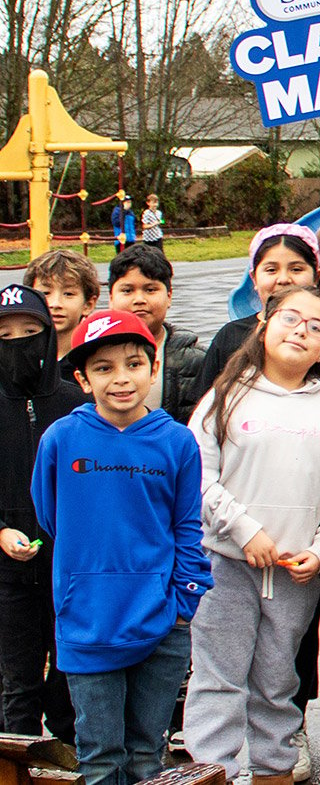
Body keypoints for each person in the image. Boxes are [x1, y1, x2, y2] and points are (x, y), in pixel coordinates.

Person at [32, 310, 211, 785]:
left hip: (161, 623)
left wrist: (182, 605)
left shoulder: (176, 442)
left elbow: (187, 527)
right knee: (100, 758)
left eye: (133, 363)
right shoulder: (61, 439)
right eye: (104, 368)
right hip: (87, 623)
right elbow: (51, 517)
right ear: (82, 378)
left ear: (154, 368)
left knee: (145, 756)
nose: (121, 379)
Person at [183, 286, 320, 785]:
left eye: (316, 327)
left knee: (277, 682)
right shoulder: (226, 397)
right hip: (225, 566)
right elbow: (198, 477)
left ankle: (274, 769)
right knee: (219, 679)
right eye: (291, 318)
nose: (301, 330)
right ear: (263, 326)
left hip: (296, 575)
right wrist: (244, 529)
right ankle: (216, 772)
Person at [0, 285, 90, 744]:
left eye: (30, 331)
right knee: (18, 684)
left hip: (68, 570)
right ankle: (15, 764)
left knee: (70, 678)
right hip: (8, 577)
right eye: (5, 334)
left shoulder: (76, 404)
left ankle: (73, 759)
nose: (18, 342)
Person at [191, 224, 320, 404]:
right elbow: (201, 405)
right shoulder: (230, 336)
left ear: (317, 277)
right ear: (254, 278)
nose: (284, 279)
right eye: (271, 270)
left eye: (296, 269)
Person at [106, 245, 206, 423]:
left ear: (169, 296)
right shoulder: (92, 354)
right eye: (127, 290)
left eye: (150, 290)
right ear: (111, 298)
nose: (139, 300)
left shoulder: (197, 361)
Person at [25, 248, 100, 371]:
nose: (55, 304)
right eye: (45, 293)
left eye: (68, 294)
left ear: (88, 304)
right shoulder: (17, 361)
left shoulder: (94, 361)